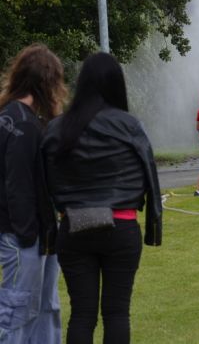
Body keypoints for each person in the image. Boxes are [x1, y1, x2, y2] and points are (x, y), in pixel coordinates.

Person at [42, 52, 163, 343]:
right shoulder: (129, 125)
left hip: (73, 228)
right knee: (117, 313)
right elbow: (150, 174)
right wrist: (154, 226)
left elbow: (45, 180)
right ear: (116, 85)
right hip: (121, 227)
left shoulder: (58, 128)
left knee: (82, 314)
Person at [0, 44, 66, 343]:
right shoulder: (24, 126)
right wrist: (28, 237)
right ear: (47, 83)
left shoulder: (12, 116)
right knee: (17, 310)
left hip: (41, 234)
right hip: (25, 236)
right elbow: (18, 185)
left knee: (45, 306)